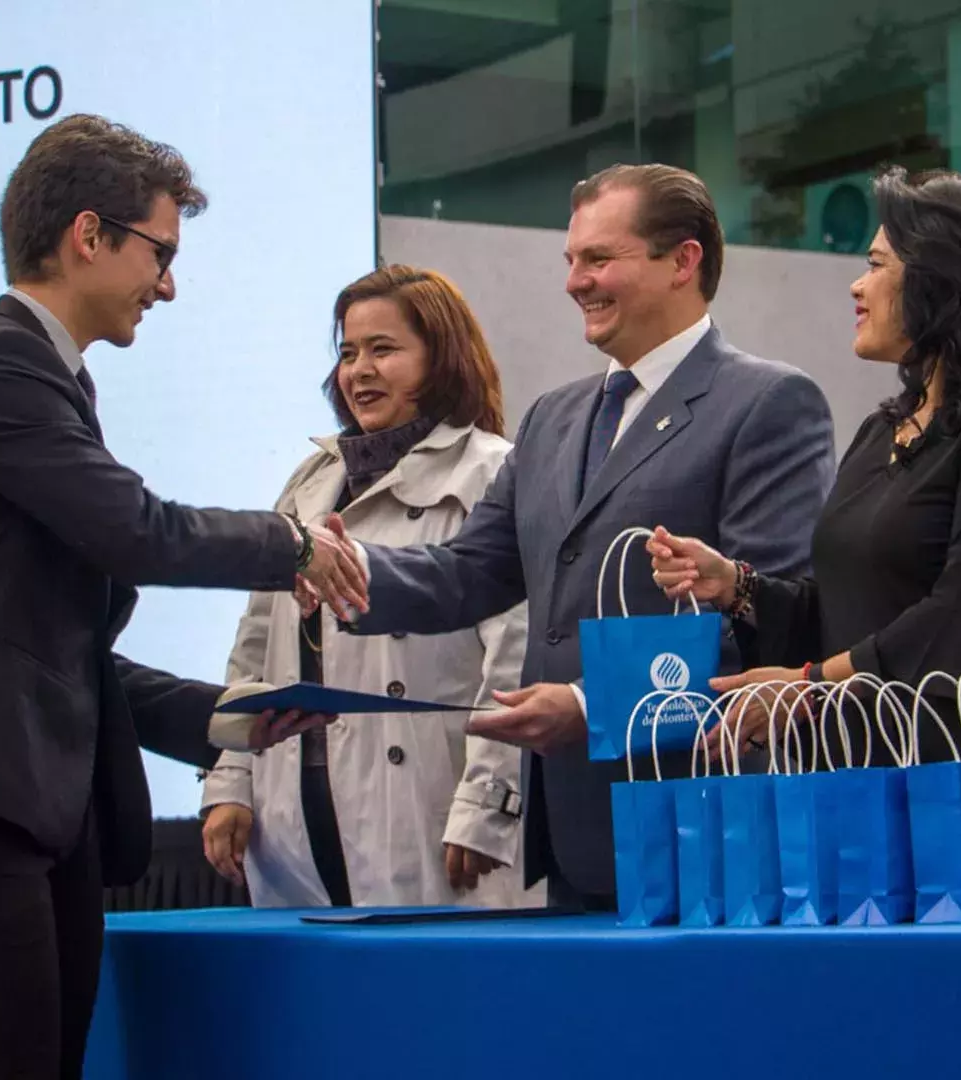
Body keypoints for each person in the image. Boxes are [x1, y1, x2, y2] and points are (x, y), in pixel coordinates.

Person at [0, 114, 368, 1079]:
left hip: (18, 793)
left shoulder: (44, 377)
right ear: (90, 235)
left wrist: (231, 716)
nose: (167, 283)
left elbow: (55, 645)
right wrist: (289, 541)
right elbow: (137, 528)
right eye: (159, 252)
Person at [323, 164, 836, 911]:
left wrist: (593, 706)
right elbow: (471, 572)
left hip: (697, 828)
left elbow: (770, 619)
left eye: (598, 259)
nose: (574, 282)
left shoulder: (769, 403)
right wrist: (346, 568)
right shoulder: (553, 418)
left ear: (683, 261)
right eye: (571, 261)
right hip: (569, 832)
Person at [647, 167, 961, 914]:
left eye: (875, 265)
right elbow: (849, 612)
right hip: (872, 800)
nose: (855, 287)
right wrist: (737, 585)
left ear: (942, 283)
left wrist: (807, 687)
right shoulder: (879, 432)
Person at [200, 265, 534, 908]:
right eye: (349, 352)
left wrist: (488, 802)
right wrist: (231, 778)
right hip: (294, 809)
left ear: (443, 359)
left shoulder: (492, 469)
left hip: (429, 810)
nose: (359, 371)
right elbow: (256, 645)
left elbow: (515, 660)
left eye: (384, 349)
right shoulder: (311, 478)